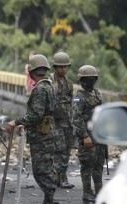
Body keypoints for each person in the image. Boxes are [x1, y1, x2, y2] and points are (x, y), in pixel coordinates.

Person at [7, 54, 57, 204]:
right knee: (45, 168)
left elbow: (36, 114)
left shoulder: (41, 89)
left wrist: (16, 121)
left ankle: (49, 203)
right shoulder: (49, 85)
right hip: (46, 132)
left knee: (41, 170)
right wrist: (25, 123)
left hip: (42, 136)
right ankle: (48, 201)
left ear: (31, 71)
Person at [71, 65, 104, 204]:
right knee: (87, 167)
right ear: (81, 80)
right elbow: (76, 118)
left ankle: (99, 193)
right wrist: (84, 136)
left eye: (92, 79)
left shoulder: (97, 94)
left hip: (99, 136)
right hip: (87, 137)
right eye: (87, 79)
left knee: (98, 167)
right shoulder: (79, 97)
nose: (89, 82)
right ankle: (87, 193)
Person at [49, 52, 75, 189]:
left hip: (67, 122)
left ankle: (62, 177)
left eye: (65, 67)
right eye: (60, 67)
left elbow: (71, 102)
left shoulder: (69, 84)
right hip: (55, 122)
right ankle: (55, 177)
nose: (63, 69)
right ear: (55, 67)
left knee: (66, 151)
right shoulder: (50, 82)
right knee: (57, 151)